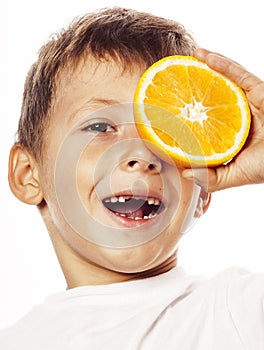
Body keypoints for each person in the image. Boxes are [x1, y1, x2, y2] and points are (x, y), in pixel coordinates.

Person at [1, 7, 264, 349]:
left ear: (202, 193)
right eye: (100, 127)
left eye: (169, 132)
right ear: (27, 175)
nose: (143, 155)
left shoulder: (239, 312)